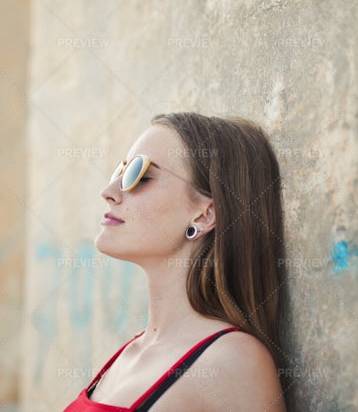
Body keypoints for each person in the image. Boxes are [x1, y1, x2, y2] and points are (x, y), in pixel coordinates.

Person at [64, 112, 288, 411]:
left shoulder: (234, 361)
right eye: (120, 171)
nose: (110, 192)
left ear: (204, 214)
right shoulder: (128, 354)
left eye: (140, 176)